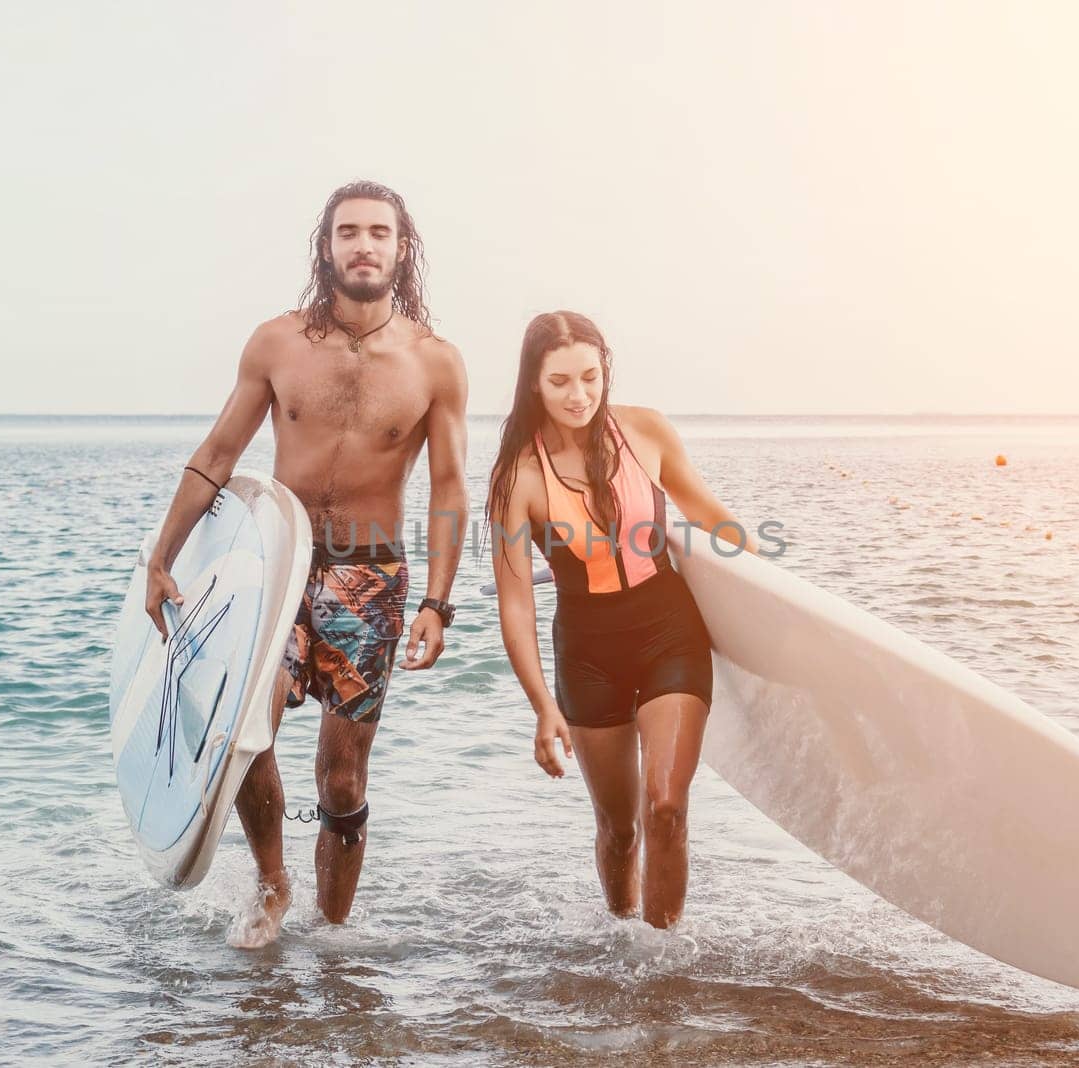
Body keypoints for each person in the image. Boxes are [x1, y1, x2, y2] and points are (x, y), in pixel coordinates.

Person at [144, 181, 468, 947]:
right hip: (278, 568)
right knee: (245, 729)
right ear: (326, 247)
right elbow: (218, 455)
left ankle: (333, 939)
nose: (363, 245)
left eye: (378, 233)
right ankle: (271, 880)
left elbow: (451, 486)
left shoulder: (435, 363)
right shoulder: (276, 343)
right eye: (348, 232)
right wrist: (160, 558)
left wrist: (440, 603)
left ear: (401, 248)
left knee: (343, 775)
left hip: (373, 577)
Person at [486, 311, 759, 929]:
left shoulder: (646, 431)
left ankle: (662, 962)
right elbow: (516, 601)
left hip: (670, 631)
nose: (578, 395)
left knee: (666, 806)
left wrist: (785, 598)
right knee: (618, 828)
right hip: (587, 653)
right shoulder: (518, 479)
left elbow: (715, 519)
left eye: (590, 377)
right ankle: (621, 945)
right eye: (559, 382)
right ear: (533, 383)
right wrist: (542, 707)